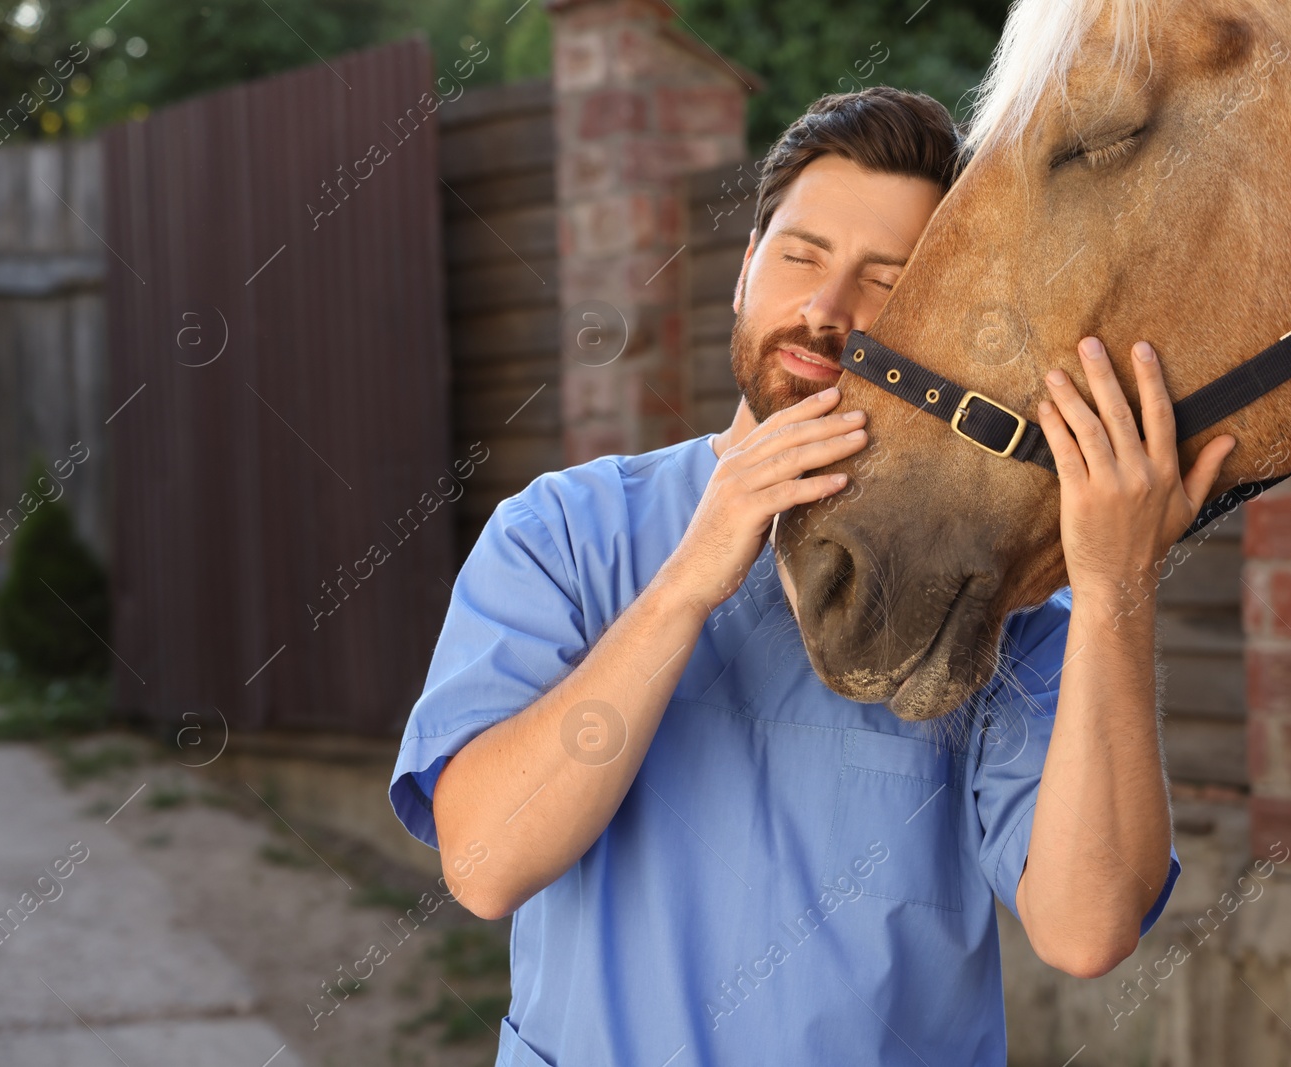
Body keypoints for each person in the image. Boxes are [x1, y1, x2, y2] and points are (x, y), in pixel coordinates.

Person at [389, 86, 1235, 1067]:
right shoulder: (565, 533)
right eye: (799, 255)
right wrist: (690, 581)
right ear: (745, 271)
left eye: (886, 278)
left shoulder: (988, 599)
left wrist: (1115, 584)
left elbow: (1088, 928)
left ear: (941, 317)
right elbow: (485, 864)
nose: (826, 309)